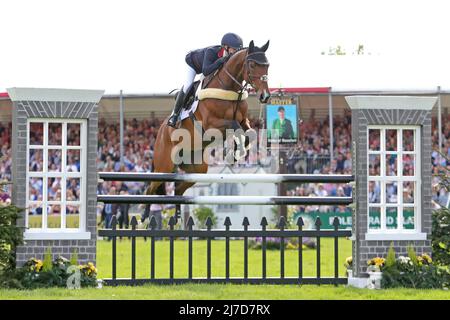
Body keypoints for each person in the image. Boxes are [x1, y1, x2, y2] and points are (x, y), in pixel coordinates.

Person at [167, 33, 244, 128]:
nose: (236, 52)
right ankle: (174, 115)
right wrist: (220, 61)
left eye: (238, 50)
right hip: (193, 64)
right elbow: (206, 71)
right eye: (235, 49)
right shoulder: (211, 52)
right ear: (226, 47)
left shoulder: (230, 57)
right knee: (187, 86)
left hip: (208, 66)